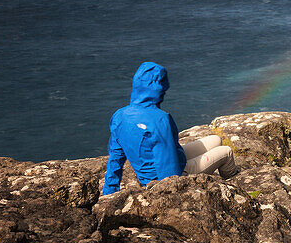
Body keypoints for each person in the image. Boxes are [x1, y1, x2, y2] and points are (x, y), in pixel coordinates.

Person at [101, 61, 237, 195]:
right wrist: (167, 193)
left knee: (216, 139)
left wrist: (109, 193)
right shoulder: (160, 120)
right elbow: (169, 173)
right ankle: (234, 187)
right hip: (175, 175)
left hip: (165, 165)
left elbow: (115, 159)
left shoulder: (119, 116)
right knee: (226, 152)